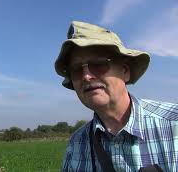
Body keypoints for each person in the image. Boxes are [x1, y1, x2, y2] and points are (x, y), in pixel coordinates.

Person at [55, 21, 178, 172]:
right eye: (76, 70)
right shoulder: (76, 144)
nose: (86, 76)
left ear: (125, 71)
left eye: (98, 64)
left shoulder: (174, 124)